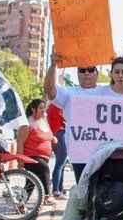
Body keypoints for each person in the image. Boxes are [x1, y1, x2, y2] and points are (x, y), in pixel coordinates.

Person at [43, 52, 100, 181]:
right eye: (82, 70)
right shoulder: (70, 92)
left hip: (104, 152)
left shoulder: (107, 91)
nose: (86, 73)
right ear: (78, 74)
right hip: (80, 153)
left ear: (97, 73)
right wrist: (53, 65)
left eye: (91, 69)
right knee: (83, 191)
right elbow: (48, 90)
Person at [19, 99, 57, 206]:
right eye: (40, 108)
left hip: (43, 156)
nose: (43, 110)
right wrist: (20, 159)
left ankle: (20, 205)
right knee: (44, 168)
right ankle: (47, 196)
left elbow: (47, 136)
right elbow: (20, 141)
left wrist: (53, 139)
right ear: (32, 109)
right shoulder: (27, 124)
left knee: (30, 183)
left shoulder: (43, 121)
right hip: (31, 156)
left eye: (43, 107)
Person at [46, 104, 68, 198]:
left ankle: (59, 188)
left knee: (61, 164)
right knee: (60, 164)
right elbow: (68, 117)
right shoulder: (57, 106)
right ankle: (56, 190)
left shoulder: (51, 106)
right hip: (60, 134)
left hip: (56, 134)